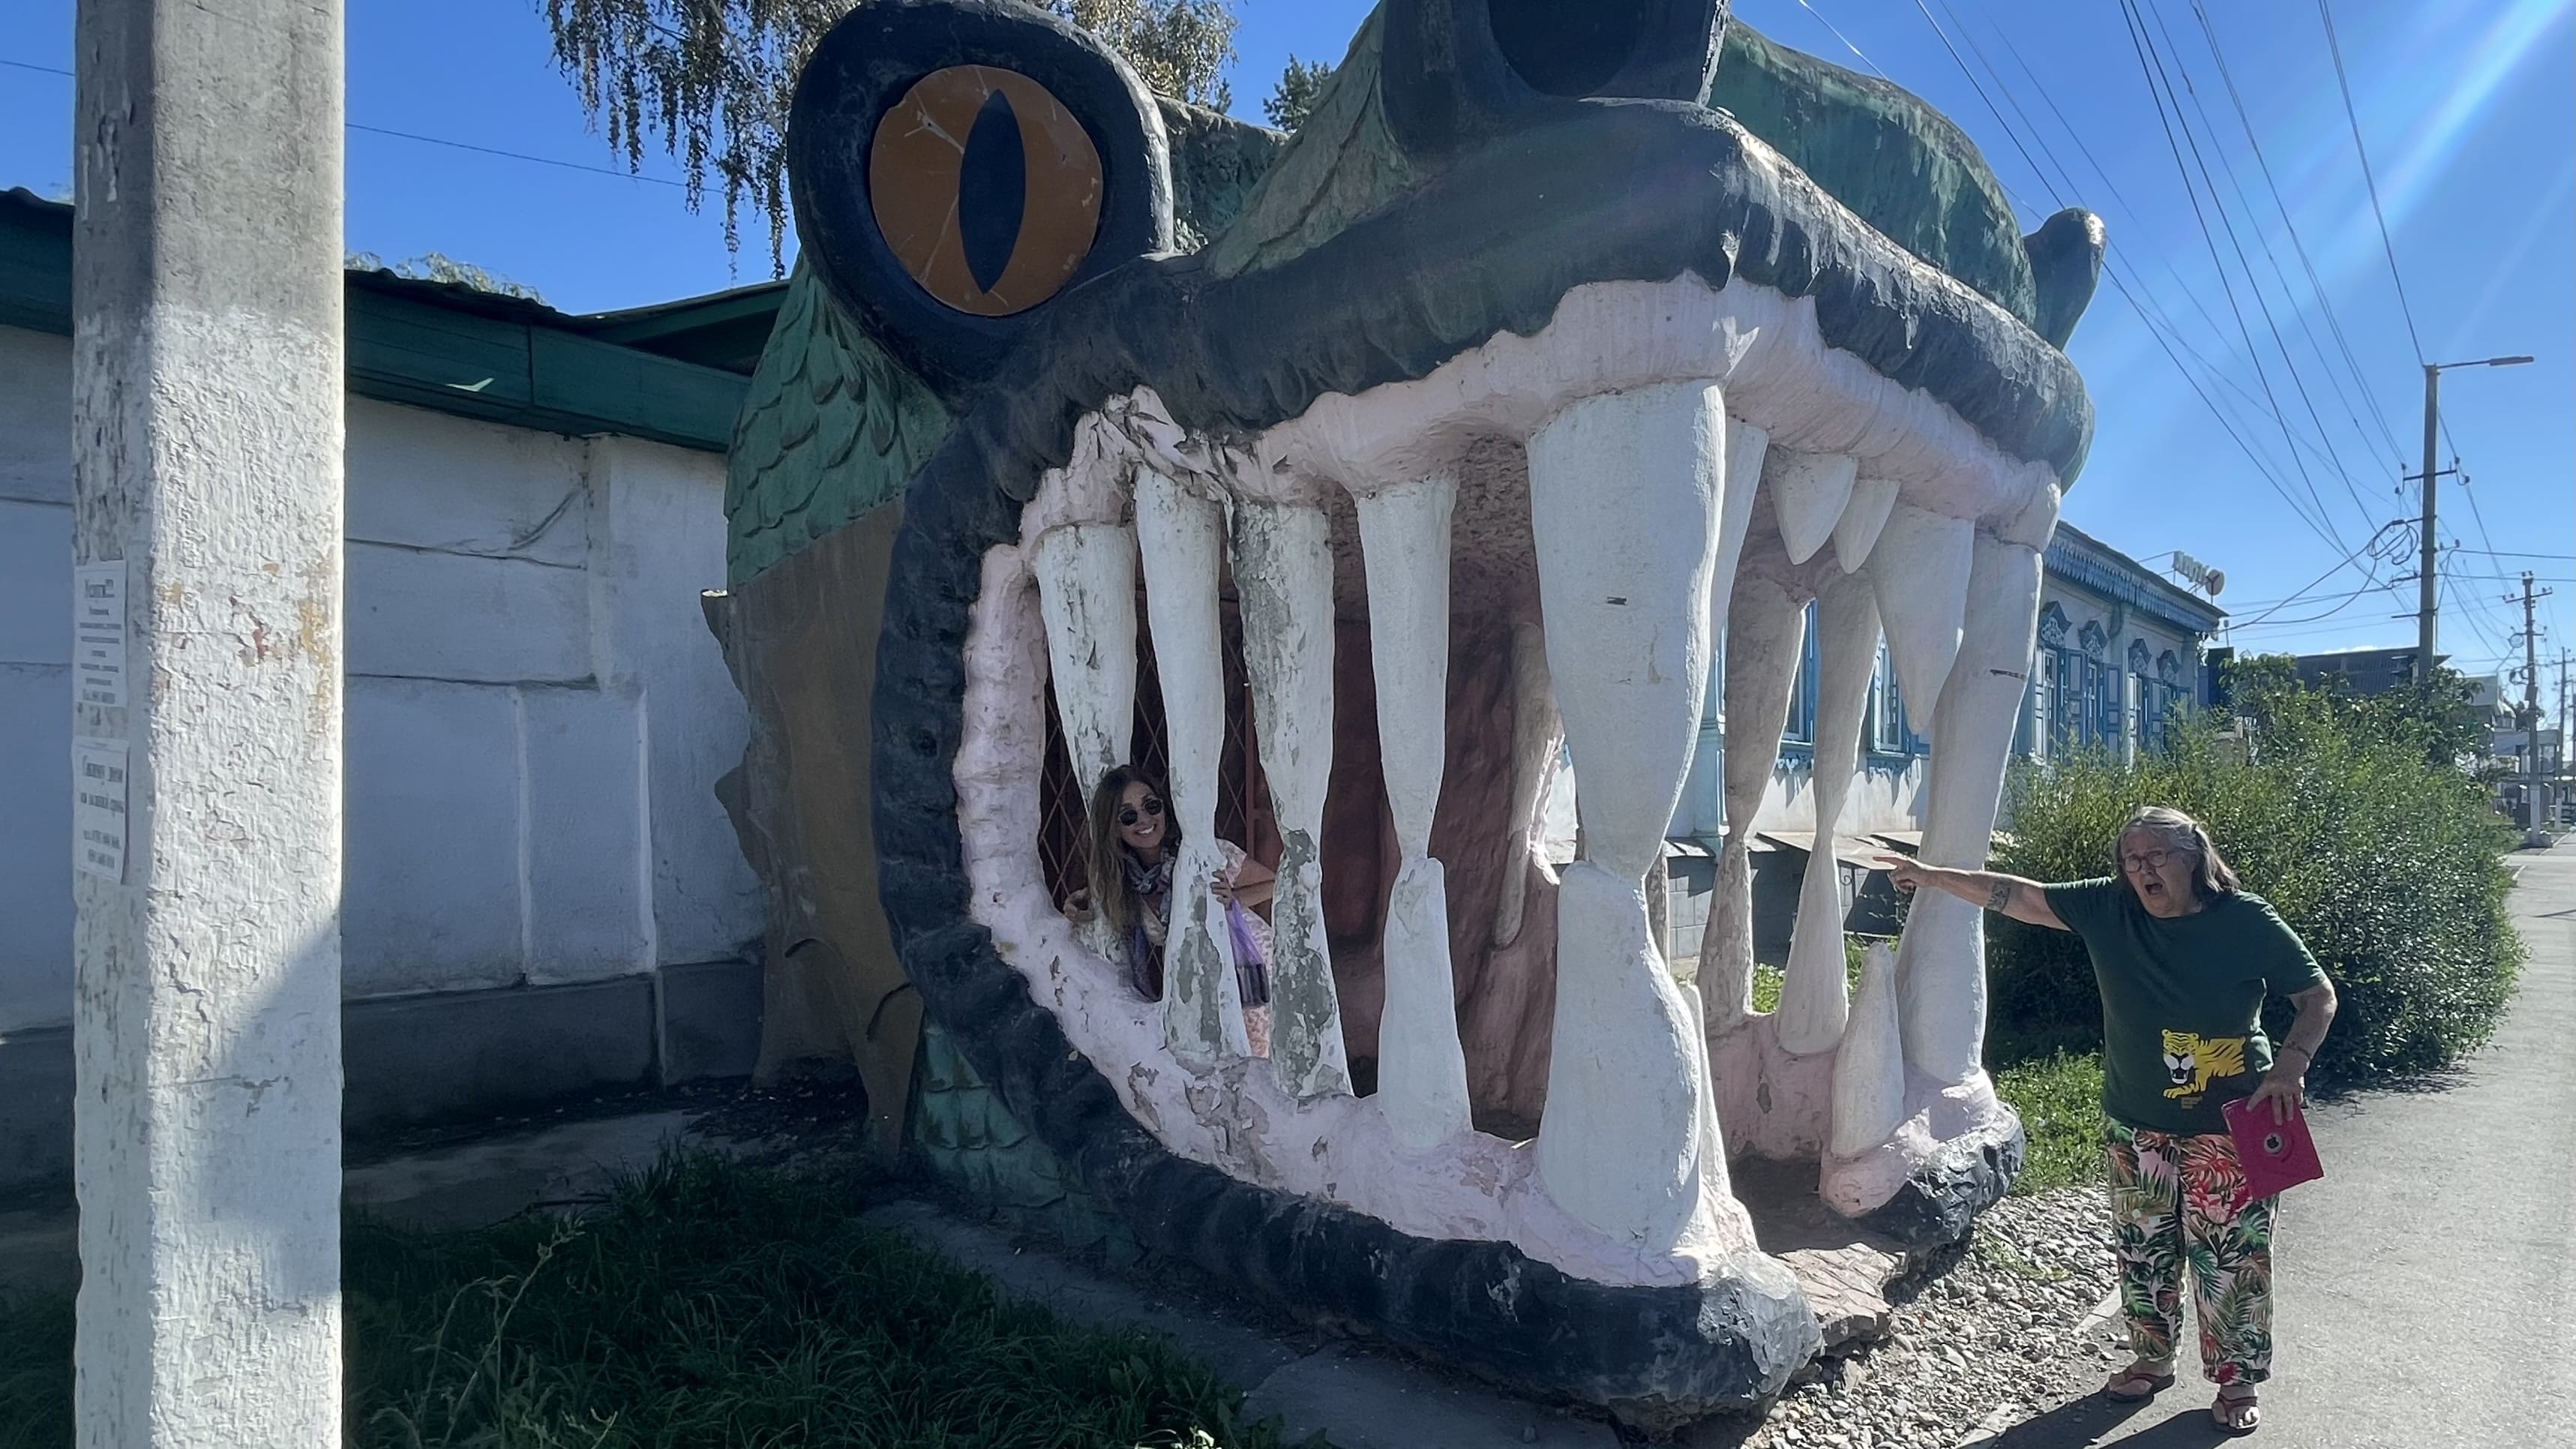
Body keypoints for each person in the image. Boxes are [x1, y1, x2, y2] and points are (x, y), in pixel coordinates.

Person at [1881, 806, 2337, 1437]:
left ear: (2193, 859)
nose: (2142, 870)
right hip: (2136, 1118)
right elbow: (2017, 896)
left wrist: (2289, 1068)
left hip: (2232, 1118)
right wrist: (1930, 875)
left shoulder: (2244, 919)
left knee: (2230, 1257)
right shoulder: (2108, 907)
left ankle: (2236, 1380)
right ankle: (2151, 1361)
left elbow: (2315, 997)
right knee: (2143, 1249)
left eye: (2156, 857)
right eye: (2131, 859)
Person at [1062, 764, 1278, 1057]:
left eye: (1151, 806)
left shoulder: (1205, 854)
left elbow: (1273, 883)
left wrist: (1233, 900)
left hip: (1253, 972)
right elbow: (1104, 905)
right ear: (1113, 827)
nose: (1145, 820)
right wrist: (1081, 903)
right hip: (1207, 985)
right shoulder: (1123, 885)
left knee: (1259, 1062)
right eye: (1129, 815)